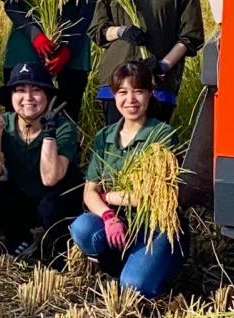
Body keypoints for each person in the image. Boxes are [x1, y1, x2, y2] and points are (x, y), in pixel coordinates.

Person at [70, 62, 186, 298]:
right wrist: (108, 216)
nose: (131, 99)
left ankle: (158, 265)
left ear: (150, 94)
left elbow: (153, 195)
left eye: (138, 91)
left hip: (155, 226)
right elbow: (89, 191)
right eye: (123, 92)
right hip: (120, 222)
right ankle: (120, 264)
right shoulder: (105, 136)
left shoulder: (162, 135)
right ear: (114, 96)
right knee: (83, 227)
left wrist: (111, 196)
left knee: (136, 288)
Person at [0, 62, 83, 262]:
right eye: (20, 91)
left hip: (57, 202)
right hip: (25, 199)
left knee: (50, 207)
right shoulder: (4, 122)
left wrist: (49, 134)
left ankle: (60, 248)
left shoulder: (63, 126)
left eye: (36, 90)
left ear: (48, 96)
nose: (28, 98)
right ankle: (21, 238)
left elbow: (50, 178)